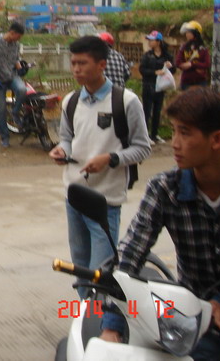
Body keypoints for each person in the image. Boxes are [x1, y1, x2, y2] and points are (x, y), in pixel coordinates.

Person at [100, 88, 220, 360]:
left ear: (216, 139)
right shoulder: (164, 189)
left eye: (185, 133)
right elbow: (130, 253)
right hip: (198, 306)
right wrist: (112, 323)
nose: (175, 143)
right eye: (174, 131)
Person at [48, 36, 150, 294]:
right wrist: (62, 150)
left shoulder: (126, 101)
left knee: (100, 273)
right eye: (73, 63)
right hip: (74, 195)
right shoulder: (71, 101)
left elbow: (142, 148)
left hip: (106, 200)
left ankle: (100, 315)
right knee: (81, 268)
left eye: (82, 63)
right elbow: (67, 138)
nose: (76, 69)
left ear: (102, 64)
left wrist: (111, 159)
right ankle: (87, 312)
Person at [0, 21, 26, 148]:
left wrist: (20, 69)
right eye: (18, 36)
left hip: (12, 76)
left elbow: (16, 59)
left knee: (22, 90)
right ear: (12, 33)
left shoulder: (16, 44)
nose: (19, 39)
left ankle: (15, 112)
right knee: (1, 109)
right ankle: (5, 137)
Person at [139, 30, 175, 144]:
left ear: (158, 42)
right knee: (146, 111)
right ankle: (145, 135)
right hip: (148, 86)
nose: (149, 42)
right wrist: (155, 72)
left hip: (160, 87)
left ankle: (154, 134)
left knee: (157, 111)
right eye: (149, 40)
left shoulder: (167, 56)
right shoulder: (147, 55)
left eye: (152, 40)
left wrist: (170, 67)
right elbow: (142, 70)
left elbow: (173, 70)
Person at [176, 20, 210, 90]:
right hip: (186, 82)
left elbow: (206, 64)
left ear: (195, 33)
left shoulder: (203, 48)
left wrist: (191, 64)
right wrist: (196, 66)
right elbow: (178, 63)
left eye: (189, 32)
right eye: (186, 32)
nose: (187, 34)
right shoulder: (183, 47)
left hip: (200, 82)